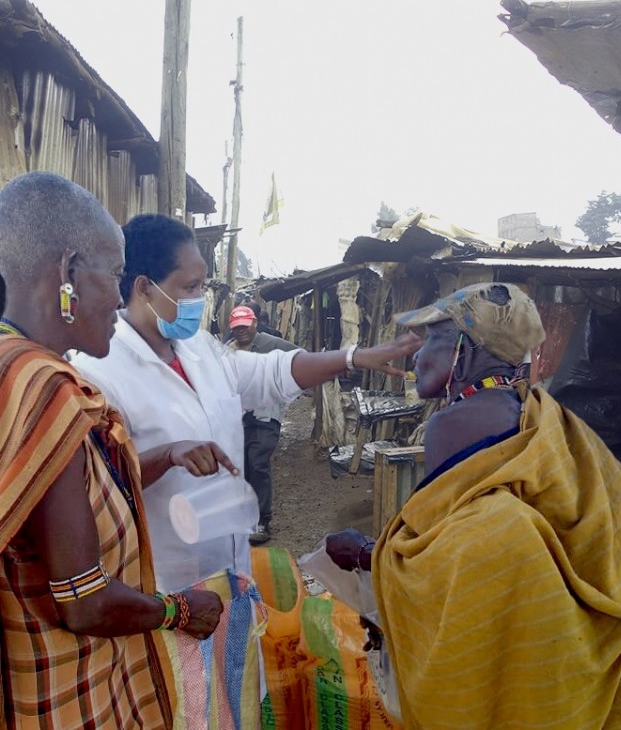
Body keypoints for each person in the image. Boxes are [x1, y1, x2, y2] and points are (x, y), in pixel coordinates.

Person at [327, 282, 621, 729]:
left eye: (432, 341)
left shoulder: (454, 424)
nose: (416, 356)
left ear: (463, 352)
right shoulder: (536, 411)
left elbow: (449, 555)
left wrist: (372, 556)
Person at [73, 213, 420, 594]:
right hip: (165, 582)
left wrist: (353, 357)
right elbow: (91, 483)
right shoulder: (97, 371)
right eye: (189, 287)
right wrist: (167, 455)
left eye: (201, 286)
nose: (199, 298)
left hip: (229, 564)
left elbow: (271, 372)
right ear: (144, 287)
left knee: (238, 648)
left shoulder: (198, 347)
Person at [0, 173, 222, 729]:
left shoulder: (11, 367)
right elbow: (85, 601)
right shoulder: (46, 390)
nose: (122, 301)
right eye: (117, 275)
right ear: (68, 273)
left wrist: (165, 455)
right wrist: (179, 610)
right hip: (64, 699)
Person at [227, 305, 299, 543]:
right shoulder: (228, 349)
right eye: (237, 328)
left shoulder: (271, 343)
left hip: (266, 415)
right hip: (239, 416)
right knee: (243, 464)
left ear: (255, 323)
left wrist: (282, 386)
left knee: (258, 461)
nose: (242, 331)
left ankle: (263, 521)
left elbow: (300, 357)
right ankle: (247, 516)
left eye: (245, 326)